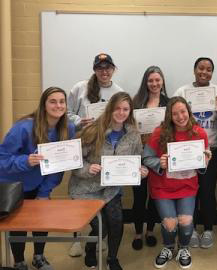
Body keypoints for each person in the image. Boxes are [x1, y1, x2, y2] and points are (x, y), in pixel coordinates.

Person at [69, 92, 147, 270]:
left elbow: (137, 160)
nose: (121, 112)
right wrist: (87, 169)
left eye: (125, 109)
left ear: (130, 111)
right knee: (101, 226)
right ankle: (90, 248)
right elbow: (74, 161)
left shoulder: (133, 135)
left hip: (111, 189)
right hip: (85, 188)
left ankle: (112, 258)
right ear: (110, 108)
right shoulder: (92, 130)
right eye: (117, 108)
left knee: (116, 222)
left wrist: (140, 171)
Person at [0, 87, 75, 270]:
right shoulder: (24, 127)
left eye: (61, 101)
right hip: (13, 184)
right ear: (43, 105)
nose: (58, 105)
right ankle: (18, 262)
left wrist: (45, 191)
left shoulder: (68, 128)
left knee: (42, 219)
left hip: (40, 183)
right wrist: (25, 161)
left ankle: (38, 257)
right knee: (18, 225)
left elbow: (59, 167)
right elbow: (2, 158)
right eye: (52, 101)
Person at [143, 96, 211, 269]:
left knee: (186, 223)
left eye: (183, 112)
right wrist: (160, 163)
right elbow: (146, 158)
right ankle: (168, 247)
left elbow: (201, 166)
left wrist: (205, 161)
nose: (180, 117)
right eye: (175, 114)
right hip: (162, 187)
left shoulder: (199, 133)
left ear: (188, 111)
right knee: (170, 224)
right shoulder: (160, 133)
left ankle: (183, 248)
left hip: (187, 187)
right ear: (169, 116)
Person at [173, 57, 217, 249]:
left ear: (212, 72)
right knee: (190, 191)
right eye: (201, 68)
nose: (204, 72)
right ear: (194, 69)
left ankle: (209, 229)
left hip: (211, 150)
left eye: (209, 69)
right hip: (185, 151)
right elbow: (172, 119)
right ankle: (192, 229)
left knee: (207, 191)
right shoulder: (182, 92)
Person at [130, 65, 169, 250]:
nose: (154, 83)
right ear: (146, 82)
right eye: (150, 80)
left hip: (157, 157)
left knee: (154, 195)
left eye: (157, 80)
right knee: (138, 197)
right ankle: (138, 232)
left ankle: (150, 230)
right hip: (137, 156)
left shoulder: (168, 103)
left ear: (162, 82)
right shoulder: (136, 103)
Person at [67, 53, 124, 131]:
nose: (104, 72)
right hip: (84, 136)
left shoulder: (119, 93)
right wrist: (78, 121)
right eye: (100, 68)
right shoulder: (80, 88)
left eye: (108, 68)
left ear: (113, 69)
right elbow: (67, 113)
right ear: (94, 70)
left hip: (109, 138)